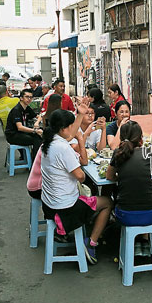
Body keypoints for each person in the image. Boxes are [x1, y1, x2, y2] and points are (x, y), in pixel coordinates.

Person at [40, 108, 113, 265]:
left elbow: (82, 161)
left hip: (49, 205)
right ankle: (91, 242)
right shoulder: (63, 147)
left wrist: (80, 125)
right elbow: (81, 176)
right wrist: (81, 138)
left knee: (91, 194)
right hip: (66, 207)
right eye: (72, 126)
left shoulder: (48, 142)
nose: (74, 129)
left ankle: (80, 227)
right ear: (63, 128)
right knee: (107, 202)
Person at [106, 121, 152, 256]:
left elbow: (109, 176)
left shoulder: (117, 154)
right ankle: (144, 241)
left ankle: (138, 242)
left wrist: (122, 177)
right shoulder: (148, 153)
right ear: (141, 138)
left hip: (126, 214)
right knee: (145, 195)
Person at [4, 89, 43, 160]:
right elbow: (20, 127)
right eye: (27, 97)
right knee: (37, 139)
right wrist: (35, 130)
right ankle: (34, 162)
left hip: (21, 133)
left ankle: (32, 160)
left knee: (39, 135)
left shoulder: (26, 108)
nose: (29, 99)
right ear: (21, 98)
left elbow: (39, 116)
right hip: (13, 135)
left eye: (31, 97)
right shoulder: (17, 109)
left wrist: (37, 122)